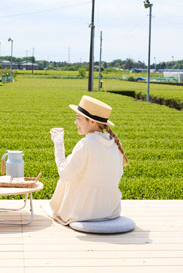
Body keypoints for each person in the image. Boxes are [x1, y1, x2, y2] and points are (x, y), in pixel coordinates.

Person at [48, 95, 129, 225]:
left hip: (84, 212)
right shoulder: (114, 144)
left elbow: (64, 174)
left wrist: (58, 143)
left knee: (67, 176)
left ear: (92, 122)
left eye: (78, 118)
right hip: (111, 210)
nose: (75, 122)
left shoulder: (86, 144)